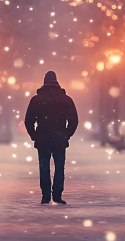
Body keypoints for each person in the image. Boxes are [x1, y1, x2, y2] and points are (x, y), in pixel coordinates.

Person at [24, 71, 78, 205]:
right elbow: (74, 120)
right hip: (59, 138)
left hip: (43, 138)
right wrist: (66, 134)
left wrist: (34, 135)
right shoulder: (66, 99)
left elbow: (28, 120)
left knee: (44, 167)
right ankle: (57, 195)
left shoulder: (36, 100)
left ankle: (46, 195)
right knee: (60, 167)